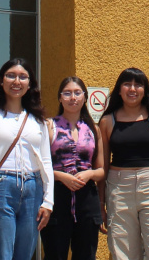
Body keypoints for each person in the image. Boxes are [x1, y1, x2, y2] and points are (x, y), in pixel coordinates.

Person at [99, 67, 149, 260]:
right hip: (119, 189)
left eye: (138, 84)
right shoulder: (108, 121)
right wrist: (101, 204)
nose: (132, 89)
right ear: (119, 89)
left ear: (145, 90)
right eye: (127, 84)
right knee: (122, 253)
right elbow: (103, 167)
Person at [0, 58, 54, 260]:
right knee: (1, 254)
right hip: (0, 188)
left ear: (30, 84)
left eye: (23, 77)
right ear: (0, 81)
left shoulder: (37, 118)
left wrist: (48, 201)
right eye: (11, 75)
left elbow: (45, 161)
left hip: (33, 188)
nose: (17, 81)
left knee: (24, 254)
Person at [40, 77, 105, 260]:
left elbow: (101, 170)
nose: (72, 98)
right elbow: (39, 167)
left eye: (77, 93)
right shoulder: (49, 126)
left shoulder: (94, 129)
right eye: (67, 93)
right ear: (60, 98)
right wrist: (61, 176)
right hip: (56, 197)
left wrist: (89, 173)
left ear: (85, 97)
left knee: (86, 255)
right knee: (55, 254)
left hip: (87, 199)